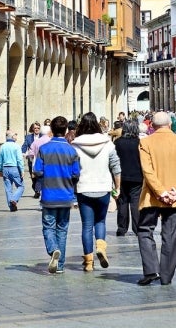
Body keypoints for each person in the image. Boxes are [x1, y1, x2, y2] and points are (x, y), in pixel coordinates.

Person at [136, 111, 176, 286]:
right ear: (170, 124)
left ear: (152, 126)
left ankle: (150, 270)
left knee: (145, 230)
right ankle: (166, 275)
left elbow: (147, 171)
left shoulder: (145, 142)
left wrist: (160, 192)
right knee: (170, 235)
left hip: (152, 196)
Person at [71, 112, 121, 272]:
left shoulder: (75, 145)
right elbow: (116, 167)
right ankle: (101, 246)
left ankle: (88, 262)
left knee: (86, 226)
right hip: (103, 187)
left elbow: (72, 169)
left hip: (84, 188)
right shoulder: (108, 143)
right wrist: (117, 187)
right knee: (100, 221)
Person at [32, 116, 80, 274]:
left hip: (49, 196)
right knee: (62, 230)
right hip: (66, 196)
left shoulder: (44, 149)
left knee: (48, 227)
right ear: (66, 130)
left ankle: (53, 249)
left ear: (52, 130)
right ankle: (59, 266)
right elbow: (76, 174)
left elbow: (37, 171)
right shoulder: (72, 150)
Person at [114, 120, 143, 237]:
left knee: (122, 202)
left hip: (121, 177)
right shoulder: (139, 143)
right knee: (136, 203)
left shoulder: (117, 143)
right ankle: (137, 228)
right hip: (137, 177)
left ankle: (122, 228)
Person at [0, 130, 25, 212]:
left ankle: (11, 206)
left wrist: (0, 170)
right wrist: (22, 170)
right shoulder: (16, 146)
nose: (16, 136)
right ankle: (14, 199)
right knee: (21, 186)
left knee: (8, 188)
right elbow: (19, 160)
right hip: (14, 168)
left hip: (5, 168)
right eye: (15, 135)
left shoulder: (2, 146)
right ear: (12, 137)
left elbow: (0, 160)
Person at [22, 122, 42, 198]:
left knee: (40, 175)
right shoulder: (28, 137)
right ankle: (36, 189)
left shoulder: (43, 136)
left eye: (38, 128)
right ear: (32, 129)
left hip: (41, 159)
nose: (36, 129)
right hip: (32, 159)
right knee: (33, 176)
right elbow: (24, 146)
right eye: (35, 128)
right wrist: (23, 153)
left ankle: (38, 190)